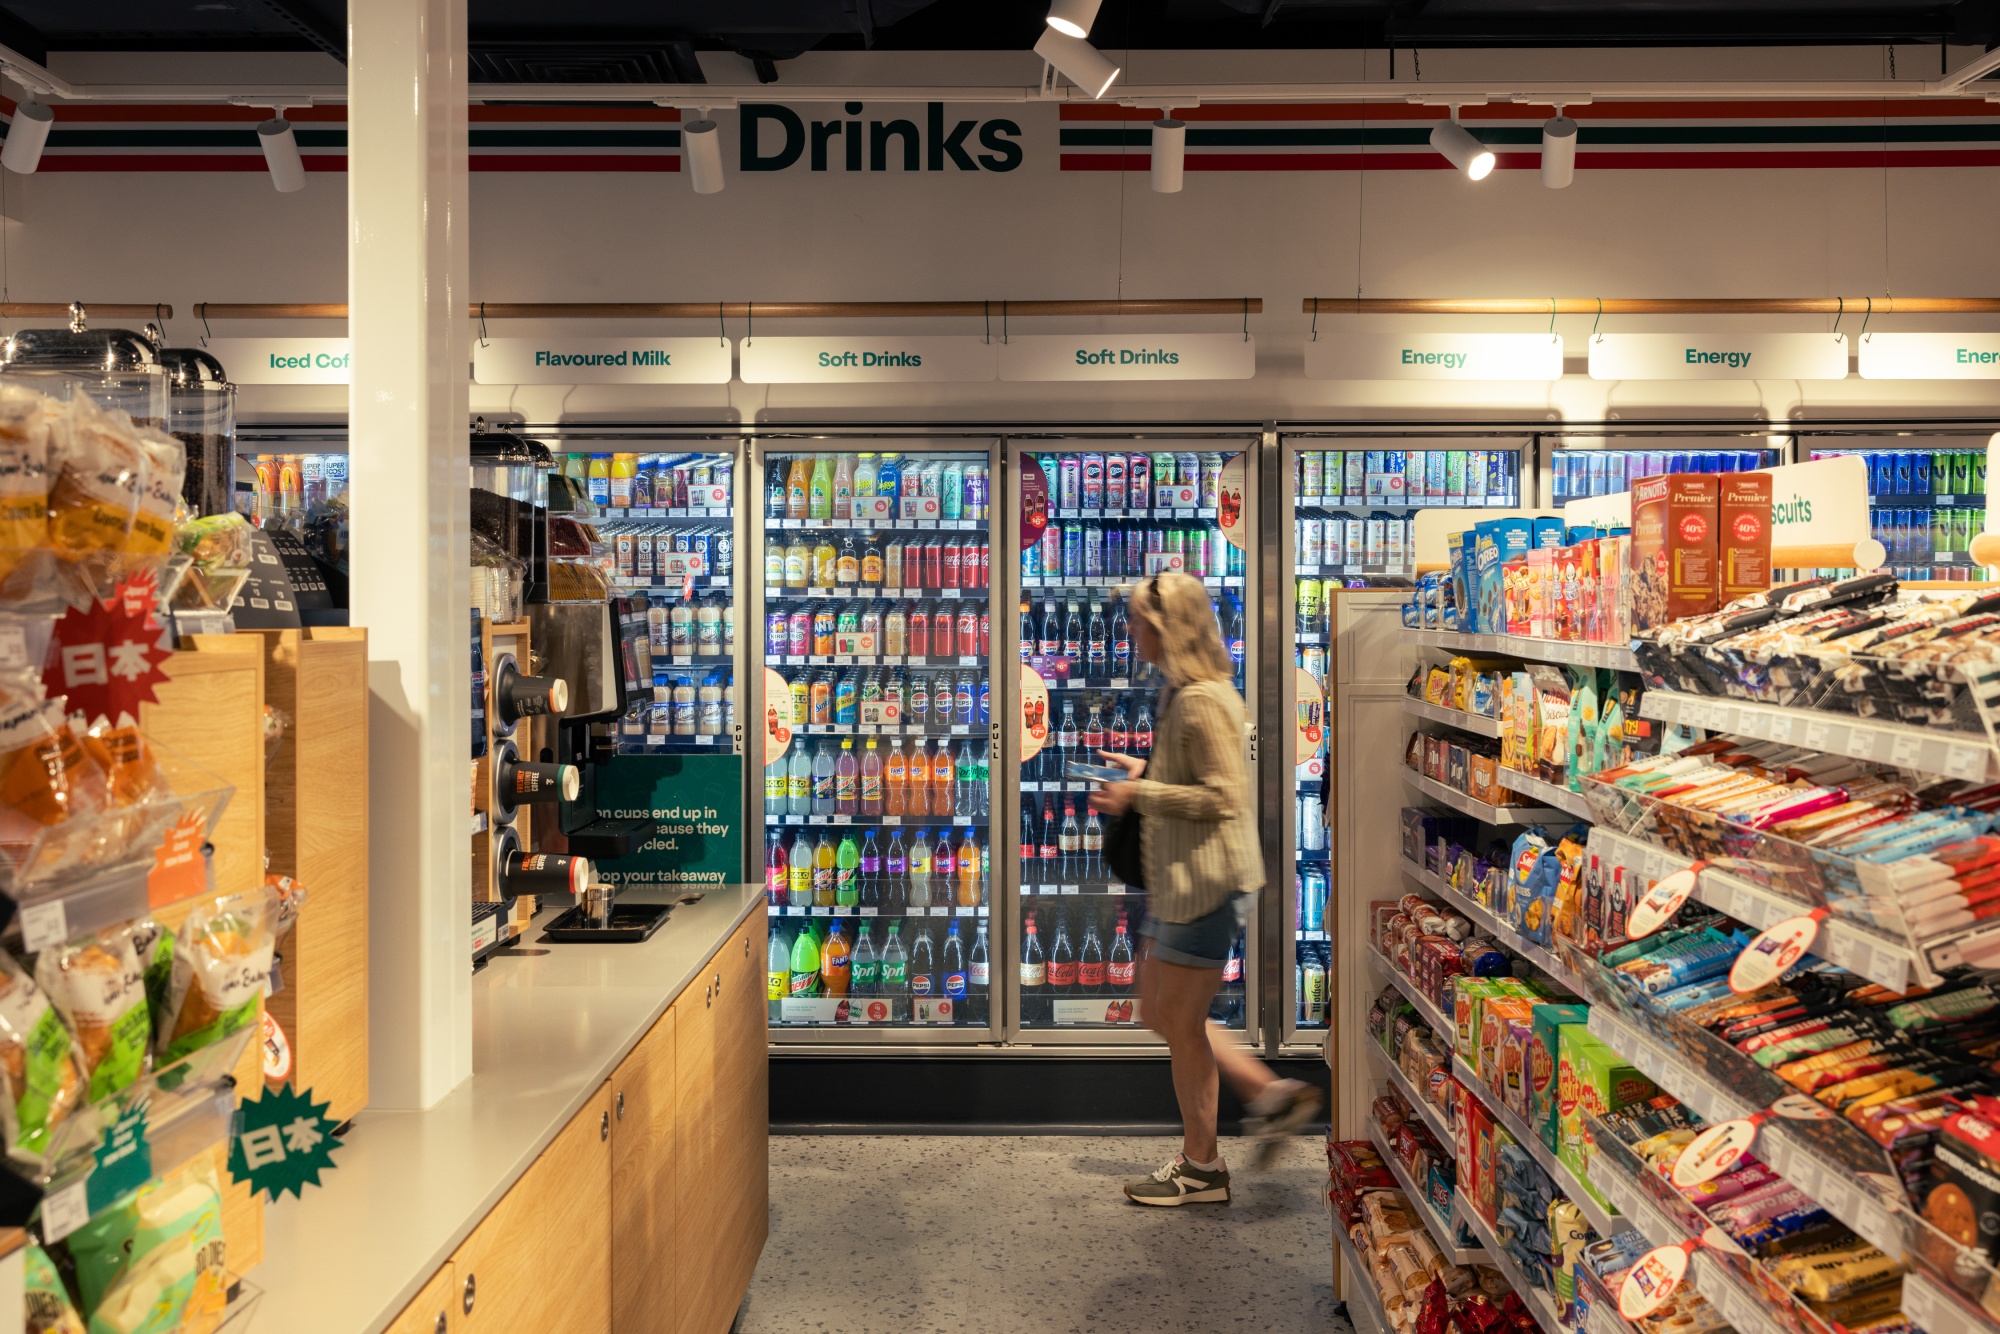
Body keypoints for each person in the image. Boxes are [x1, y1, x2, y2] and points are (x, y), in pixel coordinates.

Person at [1088, 572, 1323, 1207]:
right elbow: (1195, 776)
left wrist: (1142, 793)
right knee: (1158, 1013)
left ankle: (1203, 1166)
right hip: (1181, 880)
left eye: (1139, 621)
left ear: (1166, 629)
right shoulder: (1184, 690)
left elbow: (1224, 796)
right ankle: (1268, 1095)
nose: (1131, 631)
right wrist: (1147, 771)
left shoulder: (1202, 699)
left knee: (1181, 1022)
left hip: (1207, 884)